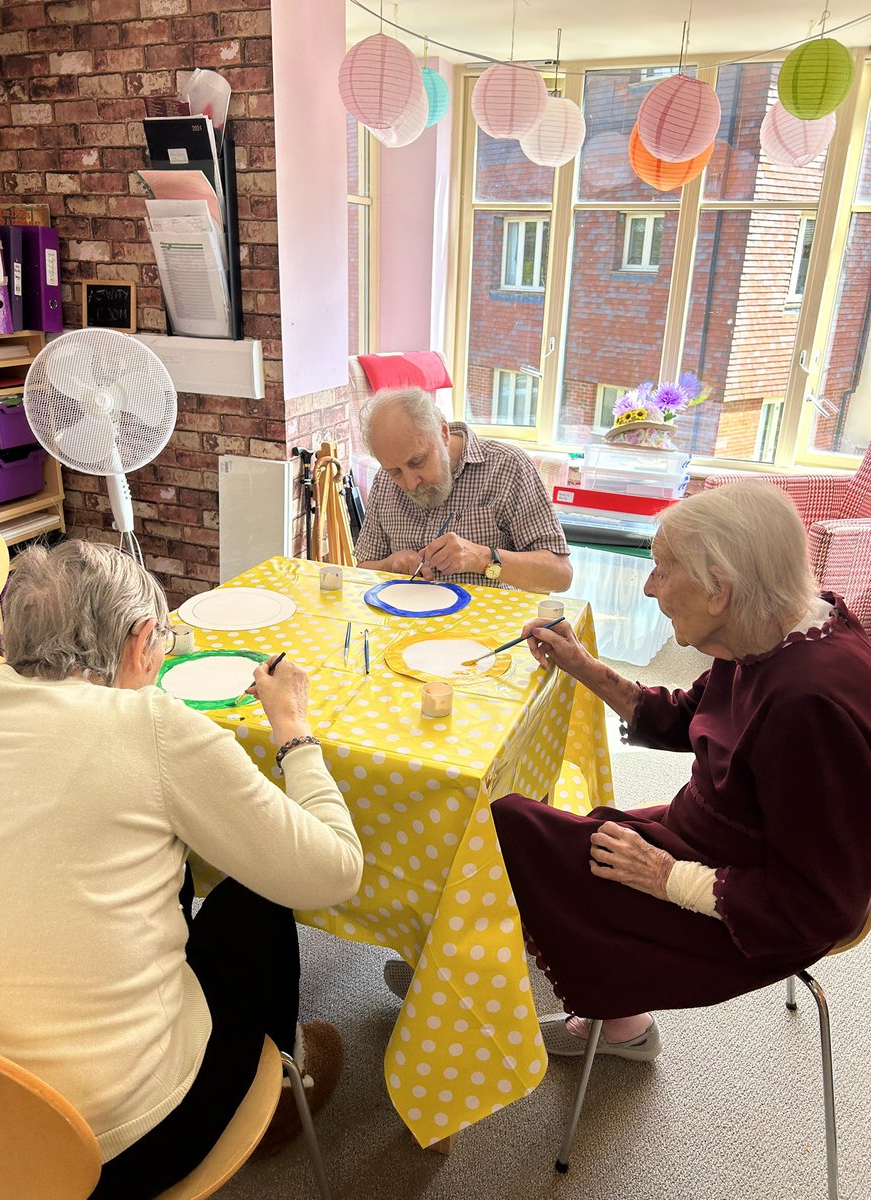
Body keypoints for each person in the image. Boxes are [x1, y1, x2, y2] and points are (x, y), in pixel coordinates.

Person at [0, 541, 364, 1199]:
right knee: (258, 895)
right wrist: (293, 730)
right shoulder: (151, 724)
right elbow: (336, 871)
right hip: (115, 1150)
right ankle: (278, 1102)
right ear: (141, 641)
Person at [491, 481, 871, 1059]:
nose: (649, 588)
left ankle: (468, 992)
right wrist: (581, 664)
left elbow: (817, 909)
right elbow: (687, 718)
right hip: (710, 836)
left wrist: (667, 876)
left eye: (662, 571)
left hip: (749, 906)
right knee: (552, 837)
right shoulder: (770, 631)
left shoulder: (807, 706)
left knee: (510, 828)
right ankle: (611, 1014)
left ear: (720, 589)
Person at [354, 386, 572, 593]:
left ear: (443, 432)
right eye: (396, 472)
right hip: (404, 624)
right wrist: (390, 565)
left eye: (417, 461)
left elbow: (560, 575)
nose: (410, 484)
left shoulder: (507, 467)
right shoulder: (384, 481)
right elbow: (362, 568)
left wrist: (481, 557)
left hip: (488, 628)